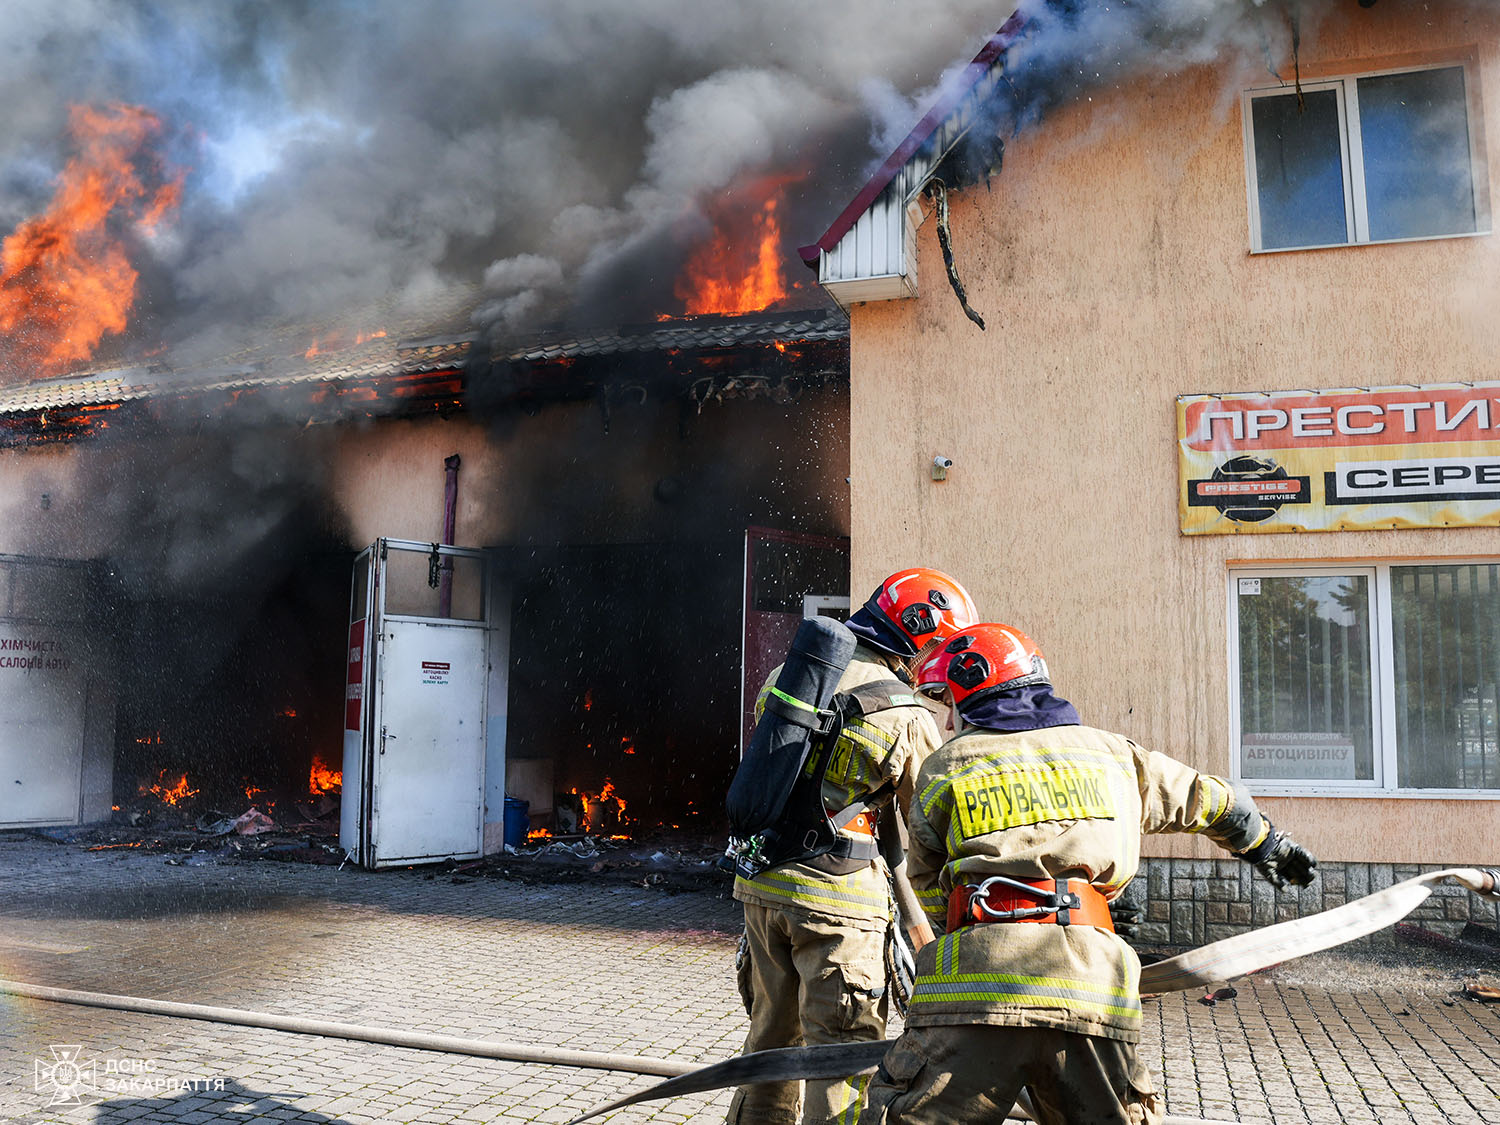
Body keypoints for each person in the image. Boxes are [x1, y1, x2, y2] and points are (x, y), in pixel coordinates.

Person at [862, 623, 1316, 1125]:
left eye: (950, 703)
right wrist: (1271, 848)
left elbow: (930, 888)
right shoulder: (1114, 755)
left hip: (971, 995)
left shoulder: (947, 766)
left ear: (973, 690)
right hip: (1090, 992)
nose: (948, 722)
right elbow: (1215, 802)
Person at [729, 568, 979, 1125]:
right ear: (917, 635)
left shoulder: (786, 676)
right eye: (934, 648)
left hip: (762, 885)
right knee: (841, 1056)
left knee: (769, 1044)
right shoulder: (906, 713)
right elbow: (930, 823)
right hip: (839, 903)